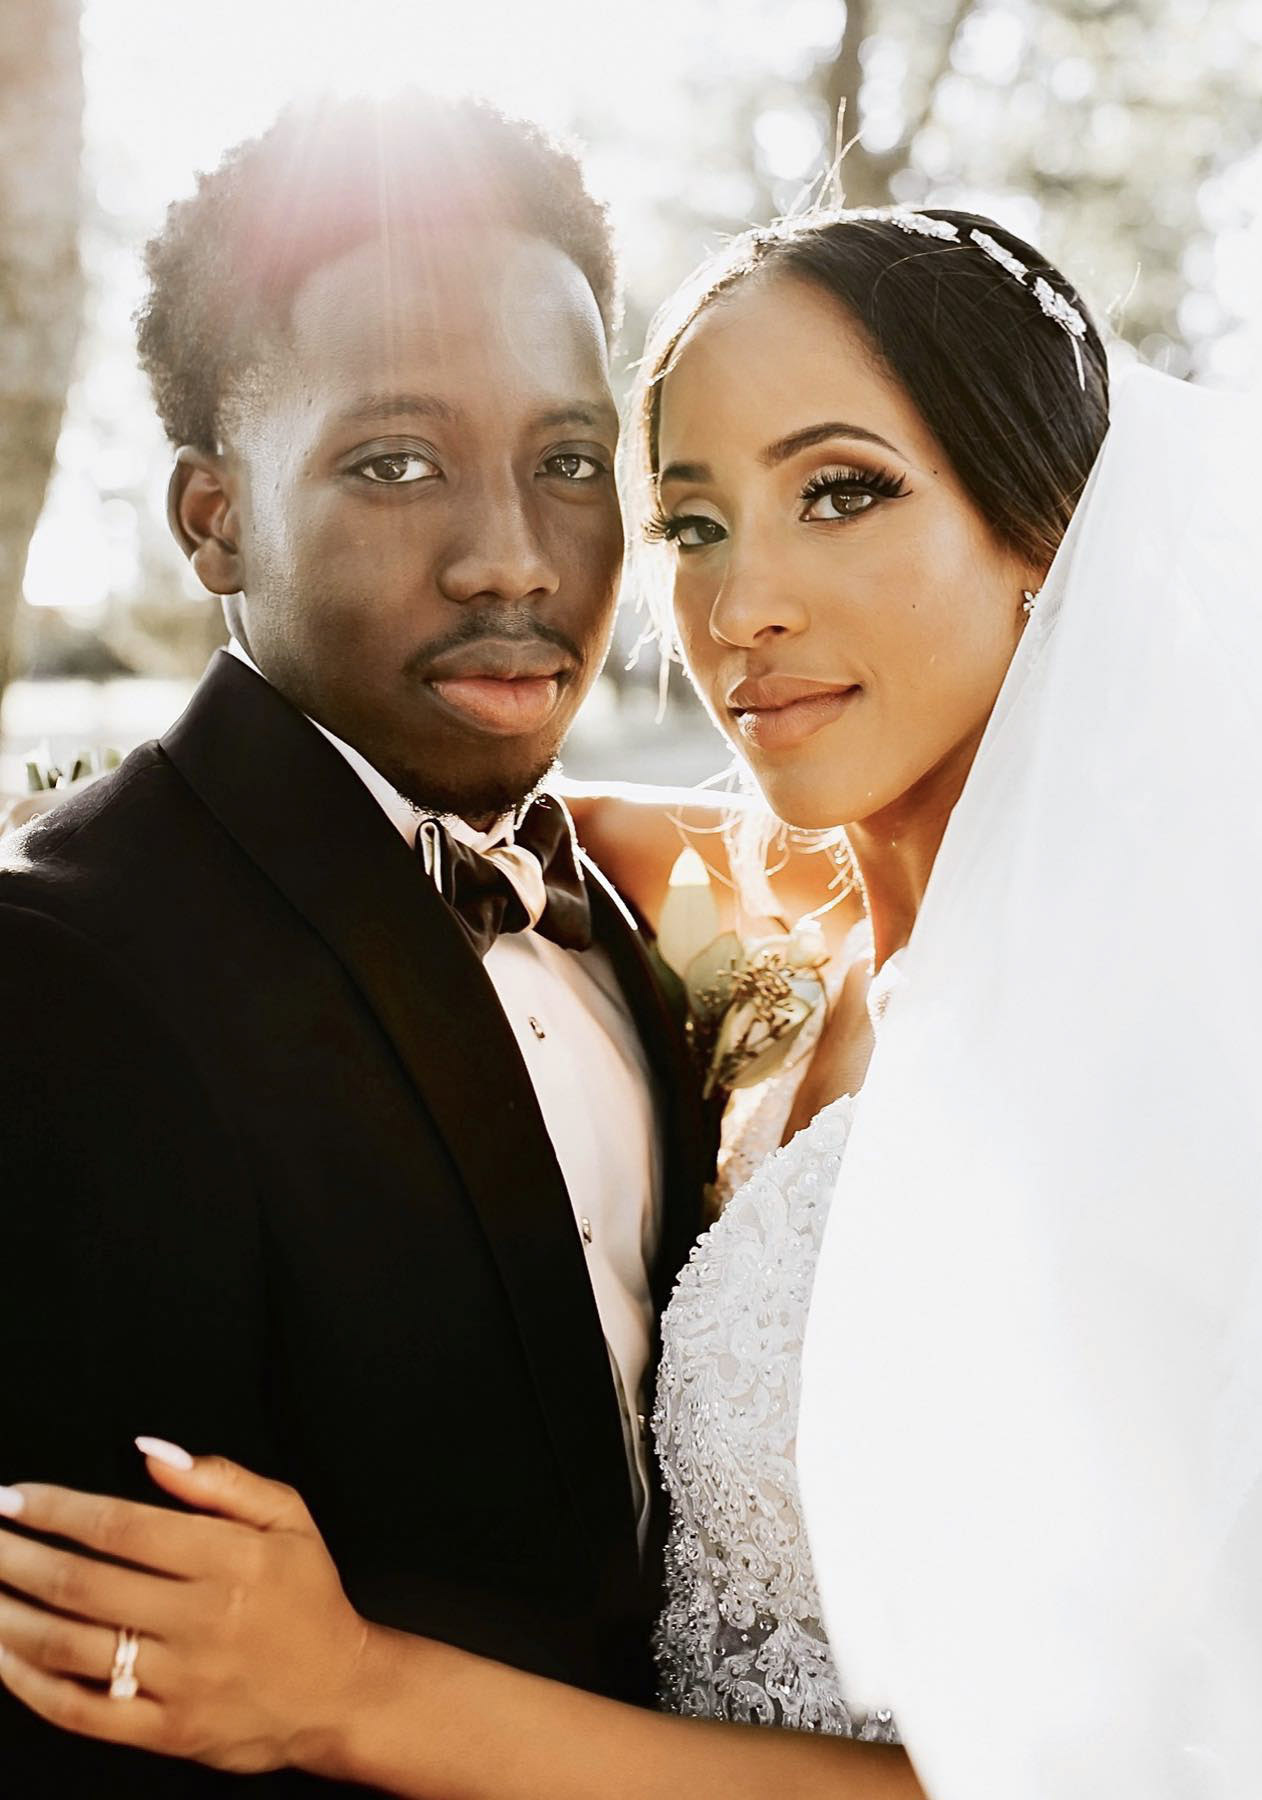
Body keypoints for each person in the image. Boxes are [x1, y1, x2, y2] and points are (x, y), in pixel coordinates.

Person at [8, 197, 1262, 1794]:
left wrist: (358, 1694)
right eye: (690, 522)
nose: (738, 607)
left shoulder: (1182, 1060)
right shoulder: (757, 949)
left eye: (841, 492)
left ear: (1055, 530)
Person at [0, 93, 851, 1795]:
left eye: (568, 462)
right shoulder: (58, 977)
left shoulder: (628, 912)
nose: (513, 560)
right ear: (214, 517)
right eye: (394, 464)